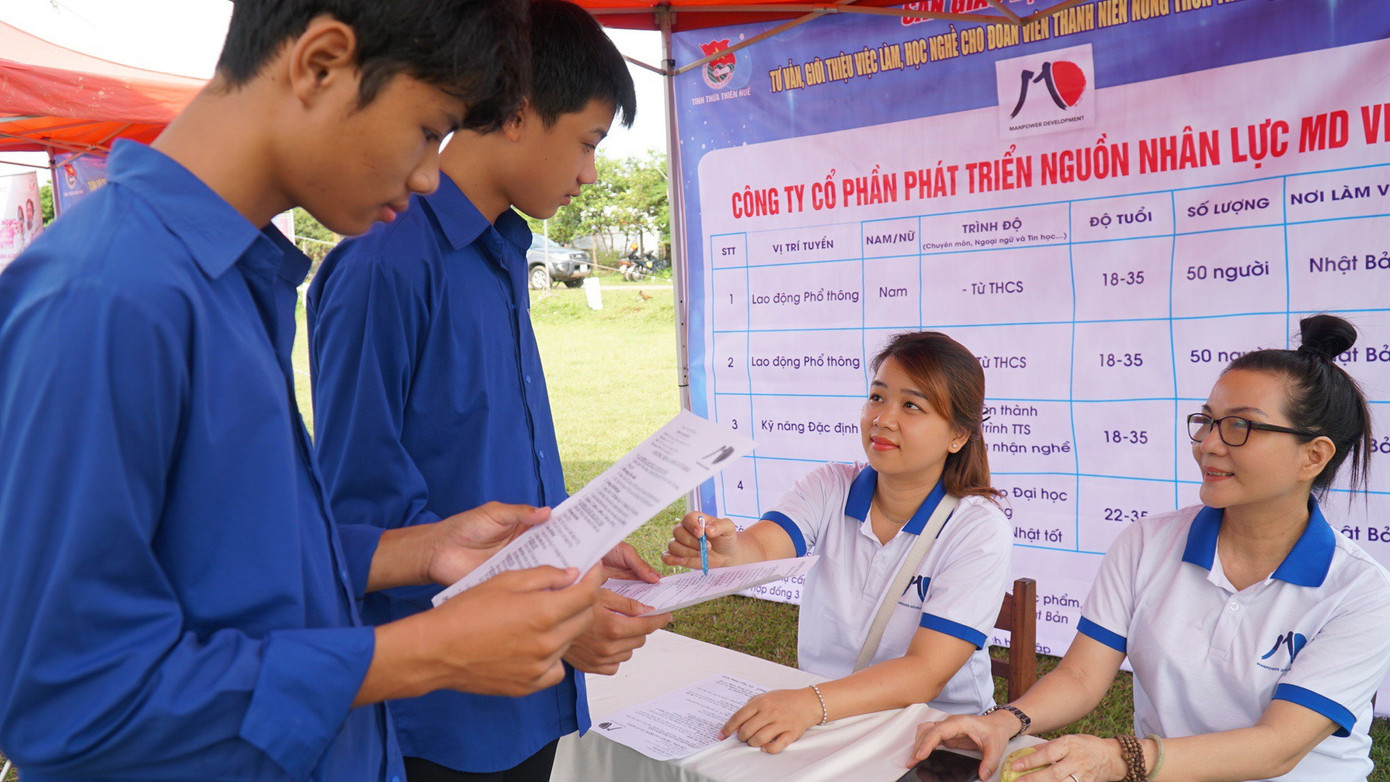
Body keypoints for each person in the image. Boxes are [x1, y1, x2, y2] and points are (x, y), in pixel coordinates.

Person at [0, 2, 606, 780]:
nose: (429, 175)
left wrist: (415, 550)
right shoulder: (105, 296)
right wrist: (419, 652)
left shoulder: (232, 280)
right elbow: (69, 700)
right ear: (320, 63)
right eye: (428, 130)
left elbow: (223, 562)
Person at [306, 3, 669, 780]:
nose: (590, 174)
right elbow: (361, 519)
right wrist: (553, 617)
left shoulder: (503, 254)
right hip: (437, 714)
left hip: (531, 686)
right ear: (520, 112)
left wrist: (574, 553)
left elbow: (485, 462)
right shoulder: (386, 262)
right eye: (588, 142)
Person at [910, 314, 1390, 781]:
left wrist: (1120, 759)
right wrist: (1003, 721)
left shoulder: (1360, 591)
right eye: (1207, 421)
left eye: (1240, 426)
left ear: (1314, 455)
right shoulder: (1147, 543)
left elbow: (1276, 748)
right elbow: (1080, 676)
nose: (1209, 445)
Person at [665, 331, 1014, 754]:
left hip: (937, 738)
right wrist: (727, 548)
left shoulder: (977, 529)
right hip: (827, 721)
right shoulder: (830, 486)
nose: (883, 419)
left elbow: (927, 673)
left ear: (958, 436)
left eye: (911, 406)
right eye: (877, 397)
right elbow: (759, 547)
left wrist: (809, 704)